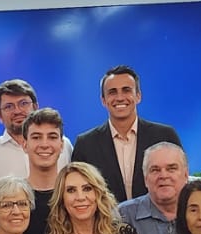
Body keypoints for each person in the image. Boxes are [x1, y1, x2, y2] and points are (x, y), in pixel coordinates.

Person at [69, 66, 183, 203]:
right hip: (106, 223)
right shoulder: (86, 144)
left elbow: (181, 183)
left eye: (126, 90)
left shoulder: (165, 136)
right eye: (112, 92)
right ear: (103, 100)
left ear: (138, 96)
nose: (120, 97)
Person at [116, 142, 188, 234]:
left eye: (171, 169)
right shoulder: (122, 216)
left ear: (185, 174)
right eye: (155, 170)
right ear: (145, 179)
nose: (163, 176)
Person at [0, 79, 71, 180]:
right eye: (9, 107)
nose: (17, 111)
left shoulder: (63, 145)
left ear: (35, 107)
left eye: (23, 103)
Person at [21, 108, 67, 234]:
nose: (45, 145)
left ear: (62, 145)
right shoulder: (14, 198)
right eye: (36, 137)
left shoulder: (77, 195)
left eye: (52, 137)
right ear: (25, 145)